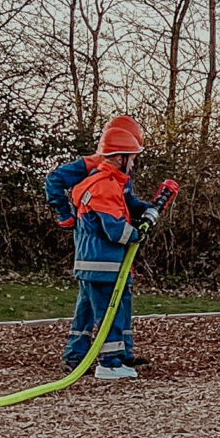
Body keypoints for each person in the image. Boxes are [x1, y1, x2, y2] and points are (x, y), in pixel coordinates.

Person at [45, 115, 156, 381]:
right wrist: (65, 216)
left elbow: (125, 203)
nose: (135, 164)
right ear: (120, 154)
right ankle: (109, 360)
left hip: (96, 253)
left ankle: (91, 355)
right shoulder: (99, 175)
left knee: (95, 304)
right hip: (101, 253)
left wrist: (147, 210)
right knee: (108, 306)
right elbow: (112, 223)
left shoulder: (115, 175)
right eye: (133, 157)